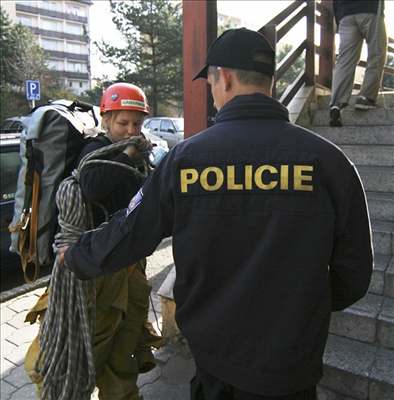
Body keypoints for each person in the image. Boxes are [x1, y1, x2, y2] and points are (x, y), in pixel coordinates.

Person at [62, 28, 373, 400]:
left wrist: (76, 255)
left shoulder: (185, 160)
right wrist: (303, 306)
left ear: (223, 77)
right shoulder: (330, 162)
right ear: (270, 81)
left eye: (210, 81)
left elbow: (131, 230)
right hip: (294, 366)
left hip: (216, 364)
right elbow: (354, 274)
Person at [26, 82, 164, 400]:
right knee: (97, 344)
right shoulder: (94, 151)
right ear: (106, 120)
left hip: (131, 267)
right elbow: (91, 186)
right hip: (101, 274)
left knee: (126, 346)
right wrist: (129, 153)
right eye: (123, 123)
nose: (130, 130)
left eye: (137, 123)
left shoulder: (135, 155)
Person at [329, 0, 387, 127]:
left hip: (345, 14)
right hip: (370, 9)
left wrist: (339, 17)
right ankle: (366, 97)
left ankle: (336, 103)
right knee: (376, 53)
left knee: (345, 60)